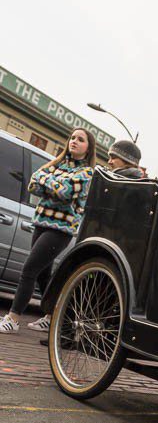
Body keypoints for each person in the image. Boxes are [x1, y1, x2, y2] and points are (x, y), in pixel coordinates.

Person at [0, 128, 95, 334]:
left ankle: (13, 318)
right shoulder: (57, 164)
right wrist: (54, 184)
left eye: (80, 140)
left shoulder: (86, 173)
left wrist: (48, 182)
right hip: (42, 222)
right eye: (72, 138)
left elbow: (66, 192)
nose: (74, 141)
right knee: (44, 274)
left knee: (29, 270)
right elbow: (33, 184)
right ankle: (52, 317)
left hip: (60, 229)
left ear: (88, 149)